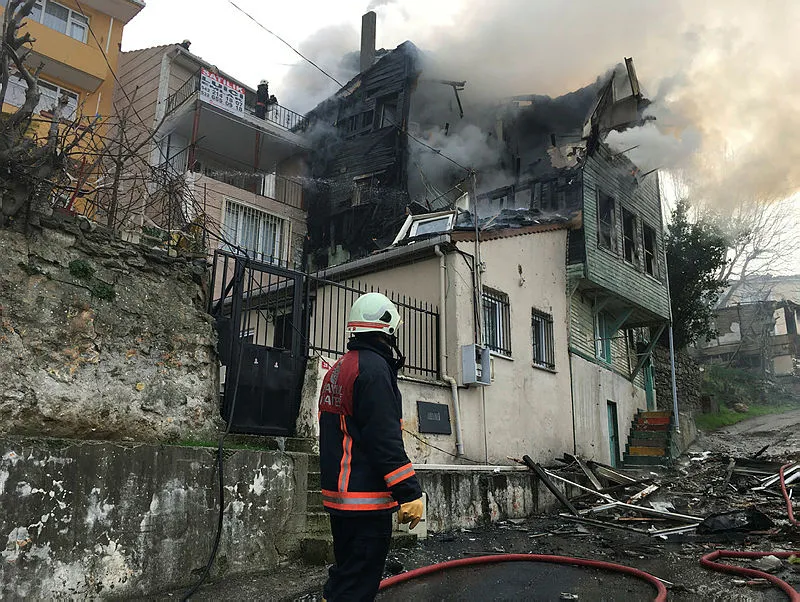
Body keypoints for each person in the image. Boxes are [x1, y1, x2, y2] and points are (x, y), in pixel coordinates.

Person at [318, 292, 424, 601]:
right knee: (358, 583)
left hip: (340, 497)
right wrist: (409, 492)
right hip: (365, 500)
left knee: (347, 572)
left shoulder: (340, 368)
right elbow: (383, 439)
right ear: (387, 329)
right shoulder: (374, 371)